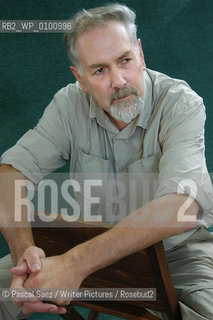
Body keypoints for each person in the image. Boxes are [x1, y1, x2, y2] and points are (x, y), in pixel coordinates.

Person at [0, 3, 213, 319]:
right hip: (90, 241)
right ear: (81, 78)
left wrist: (74, 264)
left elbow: (180, 209)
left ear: (140, 54)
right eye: (100, 70)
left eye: (125, 60)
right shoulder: (68, 104)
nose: (119, 80)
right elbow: (10, 172)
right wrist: (25, 258)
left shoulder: (181, 104)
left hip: (177, 254)